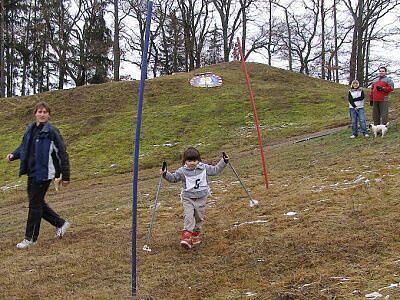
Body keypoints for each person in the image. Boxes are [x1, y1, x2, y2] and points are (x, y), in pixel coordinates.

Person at [6, 101, 71, 249]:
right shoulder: (30, 129)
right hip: (31, 171)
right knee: (37, 202)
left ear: (49, 115)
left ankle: (30, 238)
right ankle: (60, 223)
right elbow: (24, 147)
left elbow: (62, 154)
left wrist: (65, 176)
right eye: (39, 112)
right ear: (35, 113)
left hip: (45, 173)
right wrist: (13, 155)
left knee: (34, 205)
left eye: (45, 112)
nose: (42, 115)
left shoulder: (52, 132)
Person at [161, 147, 228, 250]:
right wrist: (165, 174)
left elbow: (215, 170)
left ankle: (195, 235)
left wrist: (224, 161)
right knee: (189, 216)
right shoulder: (182, 171)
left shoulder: (204, 168)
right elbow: (174, 178)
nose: (192, 163)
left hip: (201, 198)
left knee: (199, 218)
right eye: (189, 161)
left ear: (198, 160)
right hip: (188, 198)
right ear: (185, 161)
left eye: (194, 160)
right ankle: (186, 237)